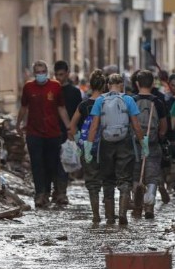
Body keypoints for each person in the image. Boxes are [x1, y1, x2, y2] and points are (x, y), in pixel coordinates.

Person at [86, 73, 145, 225]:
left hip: (106, 143)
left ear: (107, 85)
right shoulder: (128, 99)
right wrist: (143, 143)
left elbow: (94, 126)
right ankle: (122, 213)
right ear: (122, 85)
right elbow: (136, 125)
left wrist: (88, 146)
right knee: (125, 178)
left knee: (108, 180)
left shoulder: (100, 100)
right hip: (125, 141)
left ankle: (110, 217)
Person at [16, 60, 72, 208]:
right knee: (37, 164)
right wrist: (18, 124)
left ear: (47, 72)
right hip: (34, 132)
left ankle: (55, 192)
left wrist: (69, 127)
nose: (40, 75)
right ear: (34, 74)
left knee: (52, 164)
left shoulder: (55, 87)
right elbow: (23, 107)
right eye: (38, 72)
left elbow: (61, 108)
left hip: (53, 133)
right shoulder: (28, 87)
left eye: (43, 72)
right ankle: (40, 194)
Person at [68, 69, 107, 223]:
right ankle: (111, 214)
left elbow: (72, 126)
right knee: (108, 180)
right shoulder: (107, 103)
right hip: (107, 146)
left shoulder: (83, 105)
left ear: (90, 85)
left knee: (92, 182)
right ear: (104, 86)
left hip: (87, 148)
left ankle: (96, 214)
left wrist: (79, 141)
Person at [131, 70, 168, 219]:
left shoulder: (131, 101)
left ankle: (137, 206)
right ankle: (149, 206)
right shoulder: (157, 101)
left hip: (135, 144)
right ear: (153, 84)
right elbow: (164, 126)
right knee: (152, 176)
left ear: (137, 84)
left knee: (135, 175)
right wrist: (159, 135)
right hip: (152, 143)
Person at [52, 60, 83, 204]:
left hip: (67, 132)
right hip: (51, 130)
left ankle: (61, 192)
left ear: (67, 74)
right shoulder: (51, 90)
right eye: (57, 75)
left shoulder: (74, 92)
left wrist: (75, 131)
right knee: (52, 162)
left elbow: (79, 112)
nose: (59, 77)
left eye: (62, 74)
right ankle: (54, 190)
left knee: (64, 162)